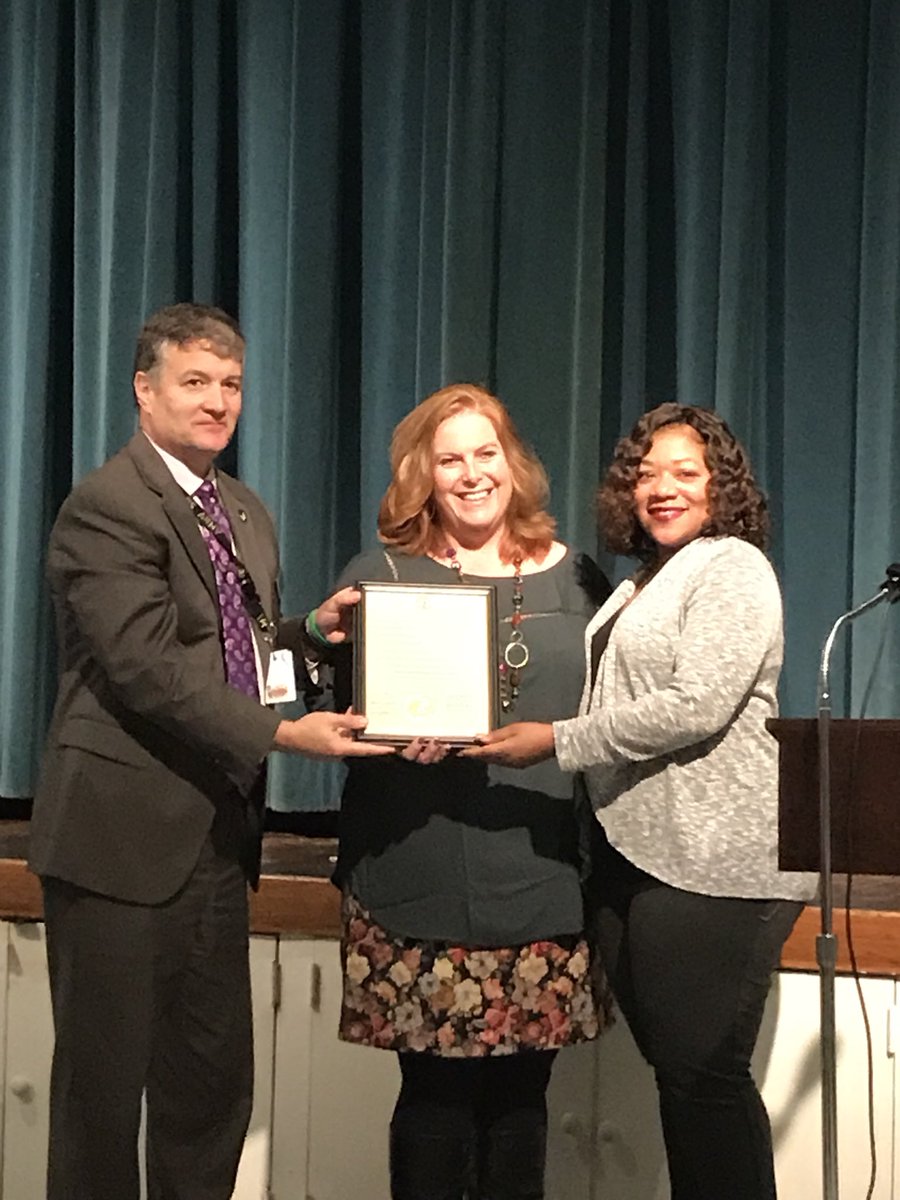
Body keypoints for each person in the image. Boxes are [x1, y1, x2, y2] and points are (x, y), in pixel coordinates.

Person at [28, 303, 391, 1200]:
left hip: (219, 851)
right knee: (102, 1103)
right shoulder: (106, 506)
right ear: (144, 393)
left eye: (231, 384)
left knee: (210, 1092)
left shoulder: (242, 509)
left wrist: (314, 634)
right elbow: (148, 667)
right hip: (117, 849)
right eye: (195, 382)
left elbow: (243, 655)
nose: (217, 401)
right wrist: (280, 733)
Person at [464, 403, 817, 1200]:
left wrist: (556, 740)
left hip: (719, 865)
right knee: (681, 1079)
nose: (663, 488)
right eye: (647, 473)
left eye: (685, 473)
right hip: (642, 853)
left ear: (721, 487)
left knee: (703, 1079)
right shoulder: (648, 576)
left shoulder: (731, 567)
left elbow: (697, 704)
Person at [304, 383, 613, 1200]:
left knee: (522, 1106)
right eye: (451, 459)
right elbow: (328, 708)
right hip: (413, 877)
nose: (472, 474)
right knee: (434, 1104)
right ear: (423, 475)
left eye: (487, 454)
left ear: (513, 464)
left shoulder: (578, 576)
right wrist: (328, 652)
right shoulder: (381, 573)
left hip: (541, 877)